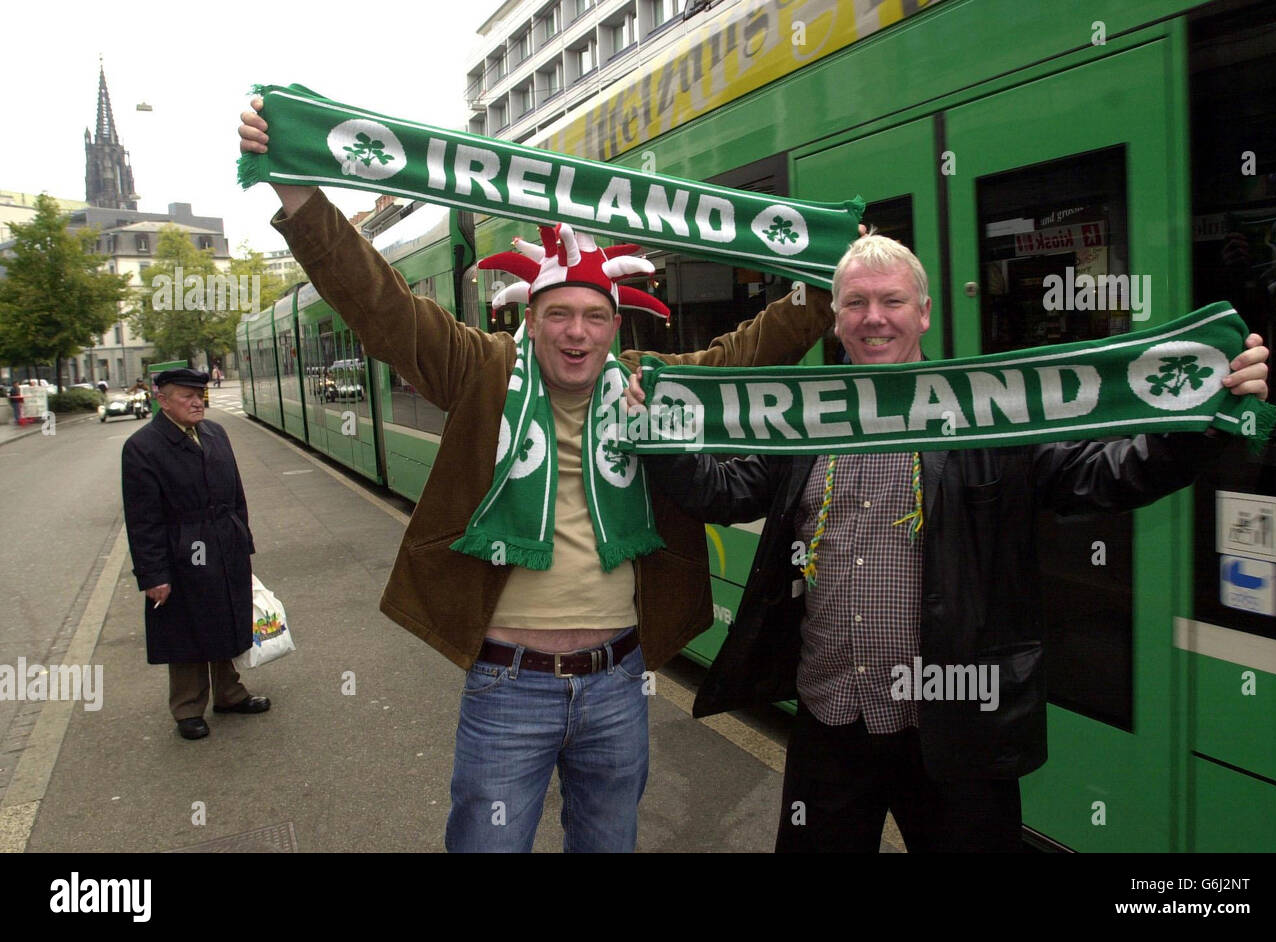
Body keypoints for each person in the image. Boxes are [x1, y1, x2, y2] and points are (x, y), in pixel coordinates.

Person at [239, 97, 841, 852]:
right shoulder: (479, 369)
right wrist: (297, 195)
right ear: (530, 320)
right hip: (506, 688)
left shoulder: (648, 386)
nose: (577, 332)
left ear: (616, 326)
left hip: (619, 683)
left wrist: (827, 281)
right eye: (559, 314)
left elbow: (749, 353)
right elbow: (383, 309)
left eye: (593, 316)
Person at [630, 231, 1272, 853]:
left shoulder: (985, 413)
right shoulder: (802, 415)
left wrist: (1199, 426)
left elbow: (1104, 475)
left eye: (891, 301)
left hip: (957, 729)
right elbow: (723, 491)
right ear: (835, 317)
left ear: (924, 313)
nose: (872, 318)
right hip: (832, 721)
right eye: (854, 303)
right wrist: (657, 434)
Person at [121, 368, 269, 741]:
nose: (196, 401)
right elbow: (143, 519)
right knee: (185, 628)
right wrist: (153, 575)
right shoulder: (143, 446)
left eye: (199, 394)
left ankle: (230, 694)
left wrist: (242, 539)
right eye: (186, 396)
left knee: (226, 617)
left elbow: (236, 494)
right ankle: (187, 707)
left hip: (223, 540)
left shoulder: (215, 433)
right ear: (163, 400)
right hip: (182, 549)